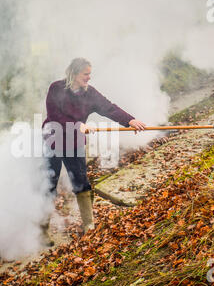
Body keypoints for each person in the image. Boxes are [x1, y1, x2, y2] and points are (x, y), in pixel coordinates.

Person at [41, 58, 146, 245]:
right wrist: (77, 125)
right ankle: (41, 231)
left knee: (81, 182)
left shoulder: (90, 94)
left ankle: (89, 225)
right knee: (48, 186)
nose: (89, 78)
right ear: (73, 73)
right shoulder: (56, 88)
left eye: (90, 74)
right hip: (53, 142)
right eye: (85, 74)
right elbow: (53, 116)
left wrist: (130, 120)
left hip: (74, 144)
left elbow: (110, 108)